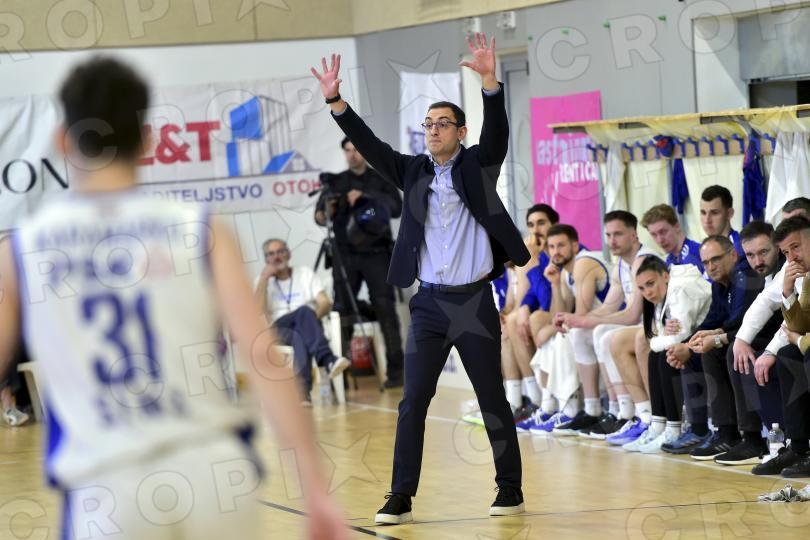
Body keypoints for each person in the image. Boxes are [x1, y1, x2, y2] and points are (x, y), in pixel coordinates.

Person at [0, 56, 347, 540]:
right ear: (147, 141)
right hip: (213, 475)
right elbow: (262, 356)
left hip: (107, 488)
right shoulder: (201, 229)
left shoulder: (22, 250)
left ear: (61, 140)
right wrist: (315, 487)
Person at [311, 32, 530, 524]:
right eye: (428, 124)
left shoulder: (478, 165)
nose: (432, 130)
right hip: (428, 304)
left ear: (461, 131)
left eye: (442, 123)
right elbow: (370, 145)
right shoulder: (411, 171)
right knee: (412, 402)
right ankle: (400, 496)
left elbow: (498, 134)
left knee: (491, 398)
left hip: (473, 302)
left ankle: (509, 489)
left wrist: (490, 82)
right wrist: (336, 102)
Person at [553, 211, 655, 439]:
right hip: (638, 326)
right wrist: (576, 320)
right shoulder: (621, 264)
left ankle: (634, 413)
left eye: (618, 234)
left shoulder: (643, 260)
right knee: (587, 332)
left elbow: (632, 314)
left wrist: (583, 319)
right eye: (608, 235)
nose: (612, 241)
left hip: (655, 326)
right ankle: (602, 409)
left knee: (606, 335)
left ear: (634, 234)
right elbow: (609, 307)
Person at [314, 138, 404, 387]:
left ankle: (396, 373)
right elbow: (319, 218)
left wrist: (366, 197)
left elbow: (396, 208)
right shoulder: (336, 182)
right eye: (348, 151)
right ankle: (340, 376)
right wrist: (329, 208)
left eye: (357, 150)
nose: (353, 155)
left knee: (385, 308)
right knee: (342, 311)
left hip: (377, 253)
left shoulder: (381, 178)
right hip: (345, 255)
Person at [622, 257, 712, 454]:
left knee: (666, 354)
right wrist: (662, 334)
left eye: (650, 284)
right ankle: (658, 425)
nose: (648, 292)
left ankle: (673, 429)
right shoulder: (664, 293)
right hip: (697, 339)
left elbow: (676, 337)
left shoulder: (680, 289)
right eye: (642, 288)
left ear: (665, 276)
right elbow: (667, 334)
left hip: (711, 340)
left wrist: (658, 338)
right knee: (656, 356)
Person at [254, 238, 350, 404]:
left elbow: (325, 302)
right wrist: (264, 279)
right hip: (278, 330)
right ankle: (328, 359)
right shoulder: (262, 281)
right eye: (271, 254)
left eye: (280, 251)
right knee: (304, 312)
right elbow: (256, 312)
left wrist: (308, 321)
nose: (276, 257)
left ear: (288, 253)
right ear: (266, 259)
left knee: (299, 332)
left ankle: (302, 394)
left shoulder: (304, 273)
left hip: (304, 327)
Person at [699, 185, 743, 256]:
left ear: (729, 213)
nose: (707, 220)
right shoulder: (704, 249)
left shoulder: (739, 248)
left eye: (714, 213)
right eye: (703, 213)